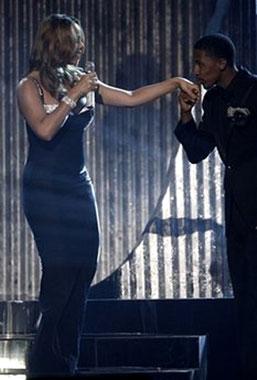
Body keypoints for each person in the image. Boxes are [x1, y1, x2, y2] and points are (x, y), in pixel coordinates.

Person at [16, 13, 199, 378]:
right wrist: (73, 96)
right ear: (58, 45)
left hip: (78, 188)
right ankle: (44, 365)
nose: (82, 48)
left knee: (83, 270)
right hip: (45, 193)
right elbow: (45, 130)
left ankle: (67, 361)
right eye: (75, 42)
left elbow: (131, 97)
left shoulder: (83, 83)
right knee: (60, 275)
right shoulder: (29, 87)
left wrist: (174, 82)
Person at [174, 33, 257, 380]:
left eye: (200, 63)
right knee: (246, 298)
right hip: (237, 209)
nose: (195, 71)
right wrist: (185, 113)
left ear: (221, 62)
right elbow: (196, 151)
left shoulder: (255, 91)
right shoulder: (213, 101)